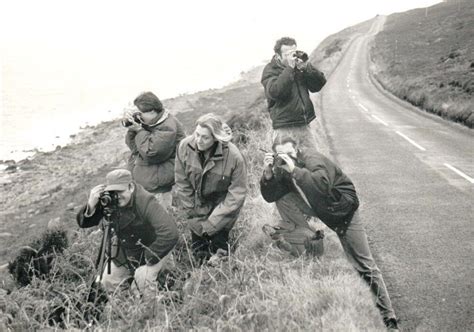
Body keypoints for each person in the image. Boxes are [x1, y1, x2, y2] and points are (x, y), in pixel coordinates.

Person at [259, 136, 399, 330]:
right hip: (320, 208)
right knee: (282, 197)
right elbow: (271, 196)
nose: (285, 159)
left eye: (289, 153)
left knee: (364, 264)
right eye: (280, 155)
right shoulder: (281, 167)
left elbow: (321, 185)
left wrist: (293, 168)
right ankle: (303, 236)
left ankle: (388, 316)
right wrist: (268, 174)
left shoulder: (312, 158)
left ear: (297, 149)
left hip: (342, 210)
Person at [77, 169, 179, 293]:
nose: (117, 196)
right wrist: (91, 205)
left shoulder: (145, 201)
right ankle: (124, 307)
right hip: (127, 248)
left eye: (120, 191)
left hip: (154, 247)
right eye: (113, 192)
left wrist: (147, 260)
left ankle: (152, 309)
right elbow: (84, 223)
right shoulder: (110, 200)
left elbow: (170, 233)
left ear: (130, 187)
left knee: (143, 279)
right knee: (108, 281)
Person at [175, 113, 247, 262]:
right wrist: (193, 214)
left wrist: (212, 223)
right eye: (197, 134)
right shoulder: (184, 147)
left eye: (205, 137)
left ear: (216, 138)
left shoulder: (234, 157)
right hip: (196, 209)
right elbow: (182, 183)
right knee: (198, 257)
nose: (198, 140)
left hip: (222, 212)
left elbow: (236, 195)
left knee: (219, 257)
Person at [261, 37, 327, 148]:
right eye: (289, 54)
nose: (294, 57)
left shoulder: (299, 67)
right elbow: (275, 92)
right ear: (278, 56)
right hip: (284, 129)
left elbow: (318, 85)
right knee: (288, 163)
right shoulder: (270, 70)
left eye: (294, 52)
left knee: (313, 161)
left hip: (304, 125)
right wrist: (290, 69)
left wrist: (306, 68)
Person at [125, 91, 186, 209]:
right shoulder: (151, 122)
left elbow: (151, 153)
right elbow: (134, 148)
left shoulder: (168, 126)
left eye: (140, 113)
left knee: (158, 218)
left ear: (152, 111)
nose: (139, 116)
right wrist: (133, 128)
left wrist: (140, 131)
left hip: (158, 185)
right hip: (148, 180)